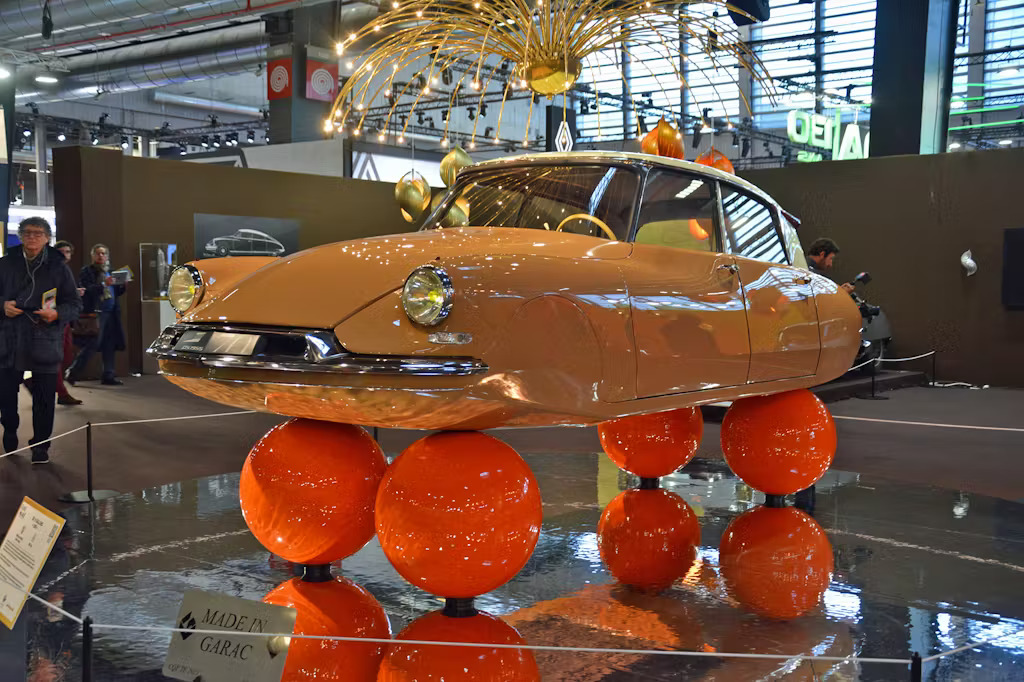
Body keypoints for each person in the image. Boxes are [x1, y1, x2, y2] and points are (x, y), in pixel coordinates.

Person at [0, 218, 82, 464]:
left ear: (48, 238)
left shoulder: (59, 267)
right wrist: (2, 306)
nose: (32, 237)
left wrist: (57, 314)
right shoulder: (5, 263)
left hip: (44, 337)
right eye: (27, 233)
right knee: (5, 393)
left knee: (45, 397)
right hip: (9, 338)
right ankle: (10, 431)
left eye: (38, 233)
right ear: (20, 236)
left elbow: (74, 304)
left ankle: (41, 445)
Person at [68, 244, 126, 386]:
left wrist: (122, 285)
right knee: (93, 344)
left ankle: (109, 375)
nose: (101, 256)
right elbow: (87, 291)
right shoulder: (87, 271)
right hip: (97, 312)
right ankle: (73, 371)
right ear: (93, 255)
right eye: (98, 253)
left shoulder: (110, 272)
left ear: (107, 256)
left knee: (110, 344)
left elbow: (116, 292)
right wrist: (103, 284)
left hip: (112, 312)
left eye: (103, 253)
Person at [53, 241, 84, 406]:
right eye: (61, 251)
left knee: (67, 356)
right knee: (58, 358)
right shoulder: (50, 270)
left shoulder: (66, 271)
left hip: (65, 319)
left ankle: (33, 382)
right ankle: (62, 394)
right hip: (54, 319)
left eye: (67, 252)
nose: (64, 255)